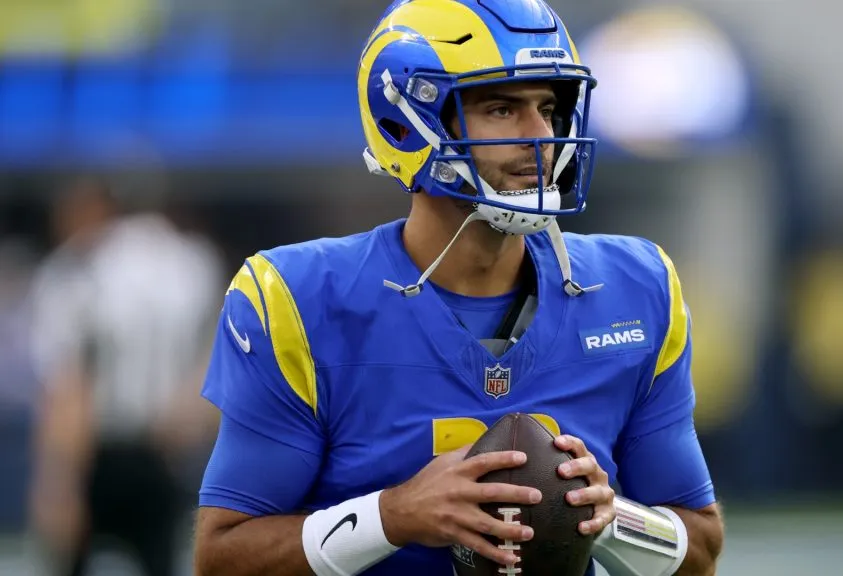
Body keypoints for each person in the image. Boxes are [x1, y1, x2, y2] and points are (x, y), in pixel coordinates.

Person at [192, 1, 724, 575]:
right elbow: (222, 558)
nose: (541, 137)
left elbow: (700, 550)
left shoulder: (636, 289)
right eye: (501, 108)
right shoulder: (298, 301)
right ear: (407, 122)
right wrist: (392, 517)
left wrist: (611, 518)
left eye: (548, 107)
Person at [29, 175, 224, 576]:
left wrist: (59, 484)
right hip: (162, 451)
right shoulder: (188, 261)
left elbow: (70, 386)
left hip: (97, 453)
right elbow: (215, 358)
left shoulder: (78, 268)